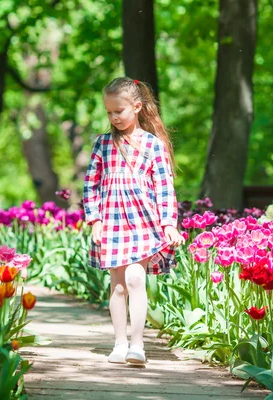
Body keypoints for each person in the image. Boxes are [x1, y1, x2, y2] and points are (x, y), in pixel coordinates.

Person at [82, 77, 185, 365]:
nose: (114, 117)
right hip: (113, 220)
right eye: (109, 113)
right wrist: (95, 221)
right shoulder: (103, 144)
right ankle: (119, 342)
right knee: (117, 285)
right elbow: (91, 184)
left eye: (119, 111)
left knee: (136, 278)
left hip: (143, 221)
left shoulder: (153, 145)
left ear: (137, 107)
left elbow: (165, 187)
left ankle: (137, 344)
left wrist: (169, 223)